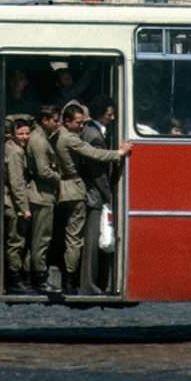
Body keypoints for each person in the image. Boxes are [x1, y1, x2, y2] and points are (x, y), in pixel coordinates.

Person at [54, 102, 131, 295]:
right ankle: (71, 283)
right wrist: (119, 153)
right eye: (78, 122)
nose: (82, 125)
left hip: (68, 190)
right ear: (67, 122)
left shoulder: (62, 134)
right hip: (76, 190)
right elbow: (94, 154)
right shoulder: (71, 138)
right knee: (76, 239)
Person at [80, 95, 133, 296]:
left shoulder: (93, 131)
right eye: (110, 114)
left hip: (93, 193)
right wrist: (109, 195)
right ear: (102, 114)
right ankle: (89, 285)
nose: (112, 118)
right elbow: (98, 172)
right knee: (92, 242)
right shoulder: (94, 135)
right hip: (94, 195)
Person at [26, 105, 61, 293]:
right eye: (55, 120)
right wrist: (60, 177)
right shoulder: (39, 141)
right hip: (42, 195)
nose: (59, 123)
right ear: (44, 120)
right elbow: (43, 171)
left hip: (40, 194)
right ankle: (39, 279)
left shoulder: (41, 137)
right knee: (42, 239)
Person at [4, 117, 34, 295]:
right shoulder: (16, 152)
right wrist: (24, 208)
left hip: (12, 201)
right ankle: (15, 280)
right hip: (14, 203)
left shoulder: (10, 147)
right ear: (13, 134)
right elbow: (17, 183)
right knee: (17, 241)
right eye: (20, 134)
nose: (24, 137)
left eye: (27, 133)